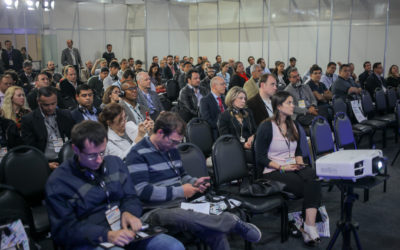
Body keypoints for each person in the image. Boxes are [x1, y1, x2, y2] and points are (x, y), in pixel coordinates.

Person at [125, 111, 262, 250]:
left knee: (215, 231)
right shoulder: (137, 154)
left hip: (180, 205)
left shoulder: (171, 148)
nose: (175, 146)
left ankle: (228, 222)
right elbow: (142, 191)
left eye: (178, 142)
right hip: (154, 211)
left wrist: (193, 182)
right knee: (184, 216)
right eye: (173, 141)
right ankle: (230, 222)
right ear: (160, 132)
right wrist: (181, 190)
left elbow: (182, 175)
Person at [45, 120, 184, 250]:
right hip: (91, 239)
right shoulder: (59, 182)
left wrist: (130, 212)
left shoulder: (115, 164)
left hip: (123, 228)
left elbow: (131, 197)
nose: (99, 160)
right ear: (75, 149)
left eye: (102, 152)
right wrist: (106, 235)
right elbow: (64, 230)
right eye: (92, 155)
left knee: (173, 246)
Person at [255, 90, 322, 245]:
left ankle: (308, 225)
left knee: (313, 175)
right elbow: (260, 158)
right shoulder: (266, 126)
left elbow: (298, 150)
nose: (293, 106)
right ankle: (308, 226)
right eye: (289, 103)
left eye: (293, 102)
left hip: (292, 167)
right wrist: (283, 167)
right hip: (273, 171)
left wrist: (298, 162)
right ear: (279, 106)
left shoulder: (293, 124)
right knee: (310, 185)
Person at [21, 86, 75, 169]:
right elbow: (30, 149)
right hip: (44, 162)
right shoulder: (29, 120)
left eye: (53, 104)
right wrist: (45, 164)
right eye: (46, 105)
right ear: (38, 102)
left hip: (66, 159)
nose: (50, 108)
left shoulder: (66, 115)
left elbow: (73, 139)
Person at [218, 86, 256, 150]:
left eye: (245, 98)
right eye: (241, 98)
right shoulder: (224, 116)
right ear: (232, 99)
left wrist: (253, 136)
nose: (244, 101)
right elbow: (226, 138)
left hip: (251, 146)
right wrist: (243, 145)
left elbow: (255, 130)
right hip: (234, 148)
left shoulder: (248, 112)